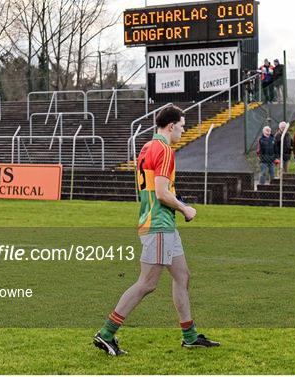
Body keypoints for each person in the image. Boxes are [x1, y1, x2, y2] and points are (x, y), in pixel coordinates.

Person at [93, 105, 220, 356]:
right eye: (182, 126)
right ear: (171, 126)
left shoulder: (147, 147)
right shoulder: (164, 149)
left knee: (182, 276)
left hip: (161, 224)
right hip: (158, 223)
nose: (183, 131)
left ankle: (190, 336)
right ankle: (106, 333)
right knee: (147, 283)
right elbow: (162, 193)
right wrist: (185, 208)